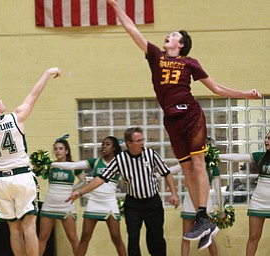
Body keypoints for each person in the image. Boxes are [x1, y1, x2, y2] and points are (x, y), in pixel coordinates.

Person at [106, 0, 262, 249]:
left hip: (191, 114)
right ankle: (204, 220)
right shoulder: (156, 55)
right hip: (172, 121)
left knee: (198, 163)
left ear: (181, 46)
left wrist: (246, 95)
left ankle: (202, 216)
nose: (168, 36)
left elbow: (217, 87)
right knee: (187, 170)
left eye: (173, 36)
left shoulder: (191, 63)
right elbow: (132, 30)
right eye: (168, 36)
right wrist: (115, 5)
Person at [0, 53, 60, 256]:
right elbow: (33, 95)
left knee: (14, 229)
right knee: (29, 226)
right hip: (21, 177)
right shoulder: (16, 117)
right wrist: (47, 73)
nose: (1, 99)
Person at [66, 127, 179, 256]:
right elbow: (101, 179)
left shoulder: (151, 154)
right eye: (138, 140)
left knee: (156, 237)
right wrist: (80, 192)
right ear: (129, 143)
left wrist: (174, 193)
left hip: (152, 202)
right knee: (133, 238)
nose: (142, 143)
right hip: (133, 204)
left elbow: (166, 173)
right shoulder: (120, 160)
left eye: (143, 140)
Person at [51, 136, 127, 256]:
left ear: (114, 148)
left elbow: (126, 180)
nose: (104, 146)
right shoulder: (95, 161)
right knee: (85, 236)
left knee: (116, 237)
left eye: (107, 144)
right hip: (94, 201)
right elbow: (73, 166)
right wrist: (51, 164)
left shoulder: (120, 163)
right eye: (103, 144)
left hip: (109, 202)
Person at [219, 131, 270, 256]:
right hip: (258, 201)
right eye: (266, 137)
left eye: (269, 138)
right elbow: (239, 157)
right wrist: (217, 156)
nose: (266, 140)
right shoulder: (261, 156)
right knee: (253, 236)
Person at [170, 138, 224, 255]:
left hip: (206, 203)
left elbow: (218, 190)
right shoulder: (188, 164)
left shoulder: (212, 167)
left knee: (209, 237)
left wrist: (221, 210)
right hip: (189, 203)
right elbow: (168, 171)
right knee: (186, 236)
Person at [38, 135, 87, 255]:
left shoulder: (73, 166)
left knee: (72, 237)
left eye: (60, 148)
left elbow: (83, 181)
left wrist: (73, 189)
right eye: (56, 149)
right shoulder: (50, 165)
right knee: (43, 236)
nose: (58, 151)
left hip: (66, 206)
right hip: (49, 205)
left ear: (67, 151)